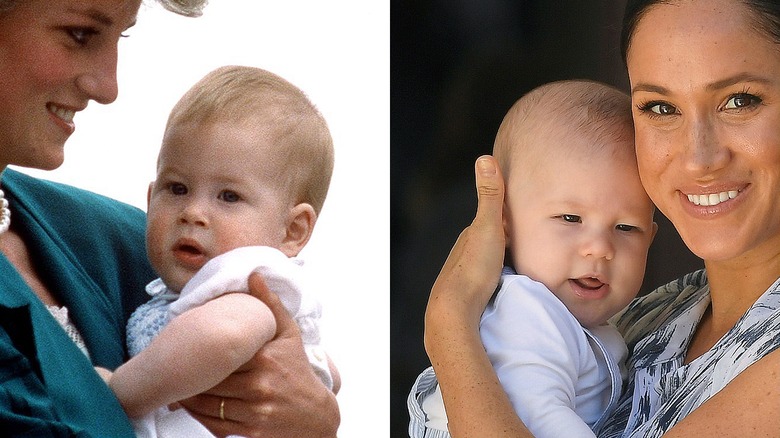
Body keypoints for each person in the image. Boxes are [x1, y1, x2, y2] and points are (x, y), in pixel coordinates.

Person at [417, 0, 780, 437]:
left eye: (739, 101)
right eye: (660, 108)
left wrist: (449, 320)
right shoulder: (652, 315)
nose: (699, 158)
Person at [0, 1, 339, 437]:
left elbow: (279, 361)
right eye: (80, 34)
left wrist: (316, 415)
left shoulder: (133, 245)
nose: (108, 87)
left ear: (295, 229)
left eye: (229, 196)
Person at [98, 65, 339, 437]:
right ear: (150, 198)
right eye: (177, 188)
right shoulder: (198, 288)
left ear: (293, 230)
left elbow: (222, 337)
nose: (193, 212)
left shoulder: (248, 280)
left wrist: (117, 391)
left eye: (229, 196)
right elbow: (328, 375)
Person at [408, 80, 657, 437]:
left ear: (651, 238)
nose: (599, 248)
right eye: (570, 219)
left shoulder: (580, 321)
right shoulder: (527, 314)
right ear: (503, 224)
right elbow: (539, 420)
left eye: (627, 227)